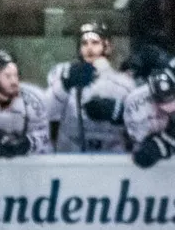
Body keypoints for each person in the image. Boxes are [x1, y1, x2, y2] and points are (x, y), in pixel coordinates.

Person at [46, 22, 135, 153]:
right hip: (70, 156)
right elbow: (46, 113)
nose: (89, 48)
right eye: (84, 43)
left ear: (107, 46)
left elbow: (139, 126)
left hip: (112, 157)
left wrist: (121, 113)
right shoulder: (63, 74)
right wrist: (64, 85)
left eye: (95, 43)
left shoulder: (124, 83)